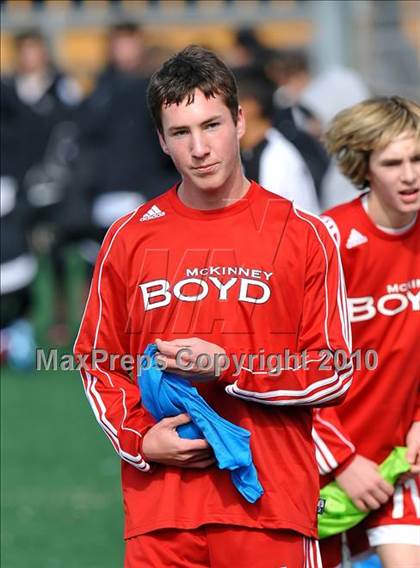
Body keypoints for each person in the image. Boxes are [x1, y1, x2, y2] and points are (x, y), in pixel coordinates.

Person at [74, 45, 353, 567]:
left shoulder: (304, 235)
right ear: (162, 140)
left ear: (241, 121)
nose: (200, 147)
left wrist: (231, 368)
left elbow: (333, 371)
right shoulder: (129, 238)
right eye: (181, 133)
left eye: (212, 125)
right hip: (162, 511)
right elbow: (97, 360)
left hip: (270, 506)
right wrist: (139, 440)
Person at [312, 96, 420, 568]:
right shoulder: (327, 241)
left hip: (403, 461)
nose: (410, 174)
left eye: (418, 159)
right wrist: (342, 461)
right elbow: (292, 370)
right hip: (325, 464)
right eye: (393, 163)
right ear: (364, 167)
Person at [236, 66, 320, 213]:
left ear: (251, 106)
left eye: (231, 102)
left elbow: (271, 217)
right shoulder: (246, 152)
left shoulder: (278, 156)